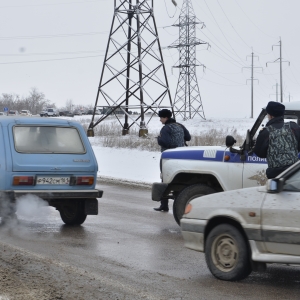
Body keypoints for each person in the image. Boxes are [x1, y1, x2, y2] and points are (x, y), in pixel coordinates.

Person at [154, 109, 191, 212]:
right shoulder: (180, 126)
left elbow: (164, 142)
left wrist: (158, 139)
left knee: (165, 179)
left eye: (161, 118)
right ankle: (183, 204)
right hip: (181, 155)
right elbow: (188, 138)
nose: (160, 120)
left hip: (168, 156)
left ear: (165, 117)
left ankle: (164, 205)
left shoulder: (166, 128)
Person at [253, 101, 300, 179]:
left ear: (270, 115)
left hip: (275, 176)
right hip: (293, 173)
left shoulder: (265, 132)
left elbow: (260, 153)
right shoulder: (293, 127)